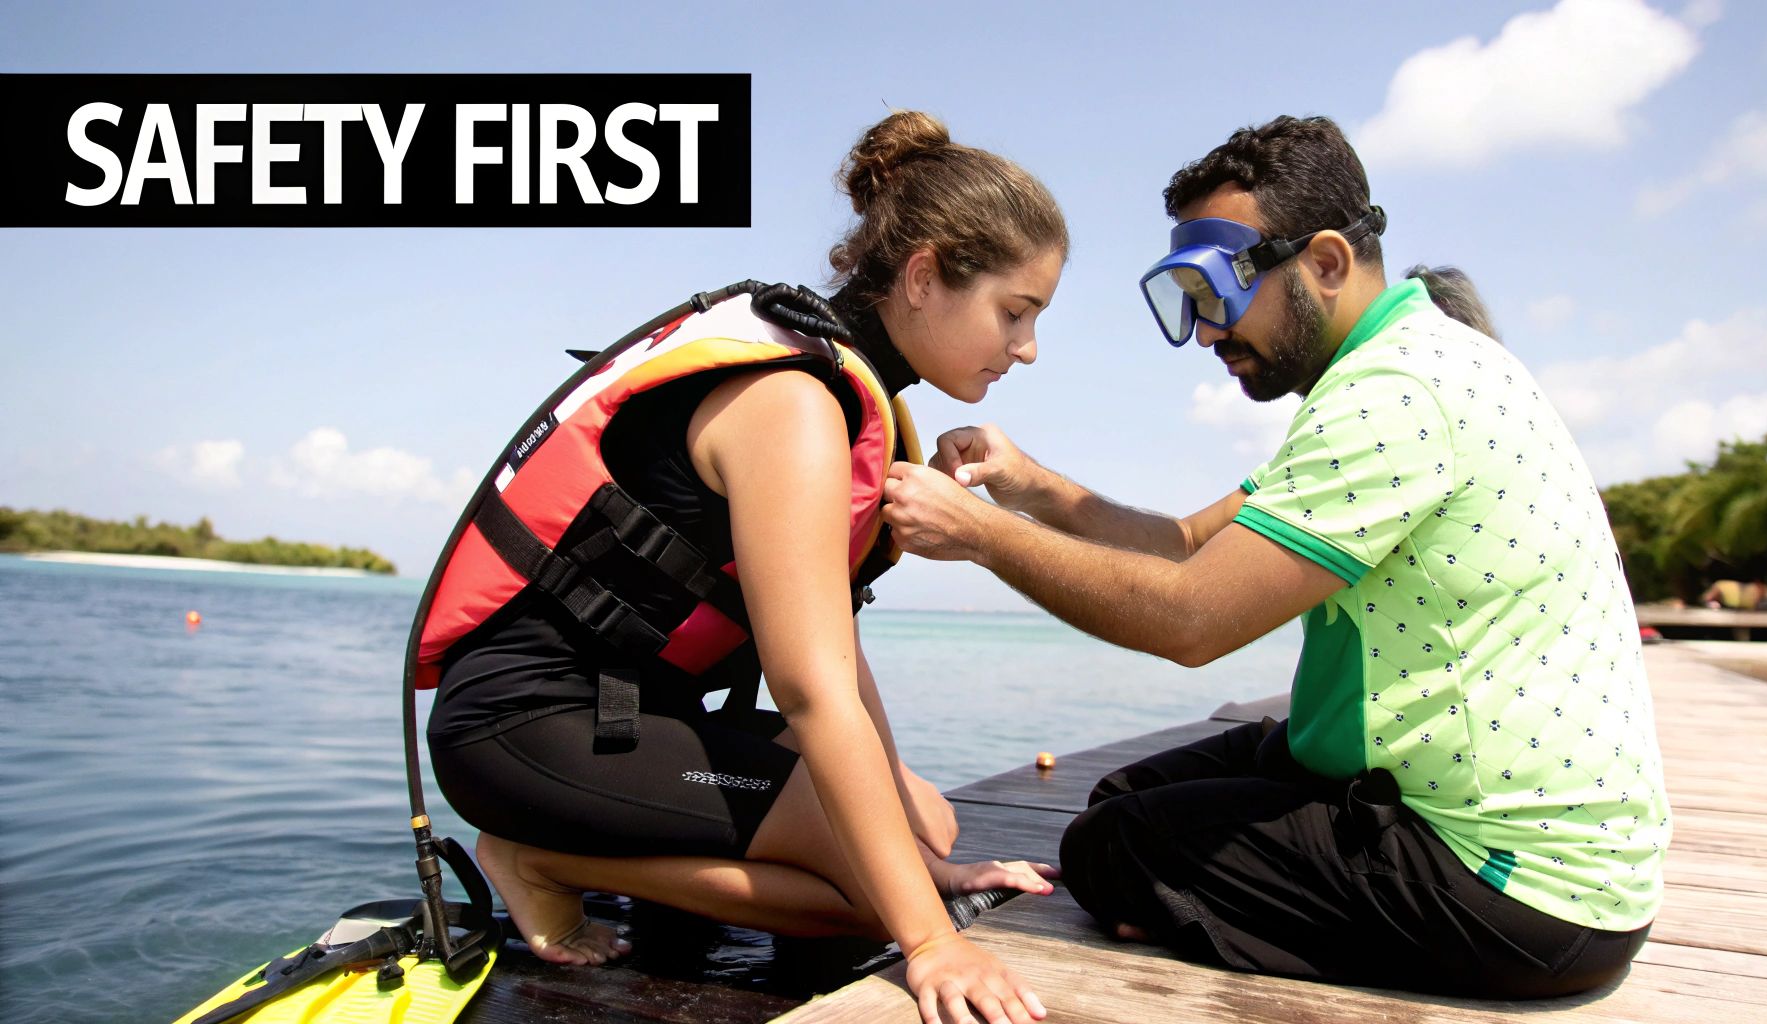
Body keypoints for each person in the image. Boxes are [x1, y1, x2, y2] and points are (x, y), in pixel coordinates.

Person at [882, 115, 1669, 999]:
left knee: (1112, 850)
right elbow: (1188, 547)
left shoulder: (1396, 395)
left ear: (1325, 263)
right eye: (1186, 296)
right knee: (1121, 804)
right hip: (1496, 834)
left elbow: (1191, 618)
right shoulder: (1411, 364)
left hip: (1516, 890)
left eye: (1215, 290)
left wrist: (981, 535)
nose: (1206, 331)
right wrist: (1031, 488)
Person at [420, 110, 1066, 1024]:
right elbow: (810, 692)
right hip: (529, 725)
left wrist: (927, 862)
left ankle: (653, 860)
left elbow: (835, 657)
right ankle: (536, 856)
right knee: (870, 895)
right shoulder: (792, 402)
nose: (1028, 347)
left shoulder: (834, 395)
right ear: (925, 276)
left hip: (635, 717)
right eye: (1016, 312)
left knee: (927, 822)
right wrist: (929, 935)